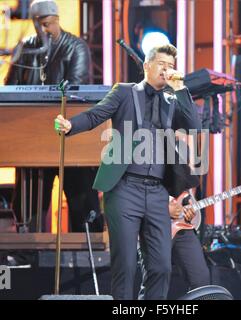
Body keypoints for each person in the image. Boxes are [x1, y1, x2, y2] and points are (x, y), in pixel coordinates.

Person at [55, 44, 201, 299]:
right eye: (161, 65)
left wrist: (181, 89)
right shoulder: (124, 92)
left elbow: (193, 126)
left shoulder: (171, 101)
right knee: (125, 265)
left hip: (157, 193)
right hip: (124, 189)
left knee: (161, 267)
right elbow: (95, 115)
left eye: (170, 66)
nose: (166, 71)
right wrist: (70, 125)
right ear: (147, 66)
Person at [5, 0, 102, 232]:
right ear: (34, 23)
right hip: (33, 141)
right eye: (42, 25)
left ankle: (86, 257)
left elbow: (75, 89)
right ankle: (27, 250)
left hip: (69, 140)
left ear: (57, 19)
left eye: (50, 23)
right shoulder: (26, 47)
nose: (47, 29)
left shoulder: (76, 47)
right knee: (30, 206)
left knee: (80, 199)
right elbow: (10, 87)